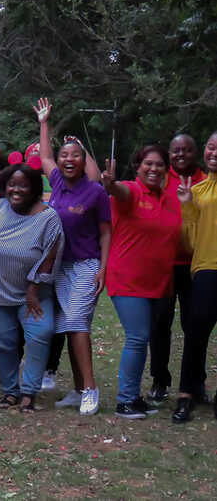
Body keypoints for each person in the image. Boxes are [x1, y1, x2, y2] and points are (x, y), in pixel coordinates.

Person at [34, 98, 111, 415]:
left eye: (75, 155)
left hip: (86, 265)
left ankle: (91, 389)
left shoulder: (95, 192)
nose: (67, 160)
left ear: (83, 161)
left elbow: (106, 232)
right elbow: (45, 155)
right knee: (68, 326)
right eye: (65, 155)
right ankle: (79, 391)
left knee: (77, 323)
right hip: (60, 267)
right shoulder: (55, 183)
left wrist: (104, 269)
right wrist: (44, 123)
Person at [101, 146, 180, 419]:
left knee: (143, 338)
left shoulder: (171, 199)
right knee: (137, 338)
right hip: (128, 278)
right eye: (148, 164)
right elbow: (119, 192)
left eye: (160, 165)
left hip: (160, 283)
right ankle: (125, 401)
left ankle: (134, 396)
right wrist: (111, 185)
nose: (154, 169)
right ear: (138, 166)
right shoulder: (130, 191)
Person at [0, 164, 63, 412]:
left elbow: (51, 255)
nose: (16, 189)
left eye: (23, 185)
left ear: (34, 188)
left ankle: (29, 393)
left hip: (34, 294)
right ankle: (10, 392)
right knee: (4, 342)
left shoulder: (49, 218)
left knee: (41, 333)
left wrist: (33, 289)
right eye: (11, 184)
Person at [147, 134, 208, 405]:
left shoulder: (207, 181)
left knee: (196, 326)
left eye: (187, 150)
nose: (181, 155)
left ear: (196, 152)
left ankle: (195, 383)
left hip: (196, 266)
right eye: (176, 151)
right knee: (160, 325)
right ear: (169, 154)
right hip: (165, 264)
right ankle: (160, 381)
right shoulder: (160, 178)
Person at [172, 131, 217, 423]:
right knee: (196, 328)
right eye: (212, 147)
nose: (215, 152)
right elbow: (188, 243)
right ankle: (187, 393)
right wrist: (187, 205)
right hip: (206, 267)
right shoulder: (196, 191)